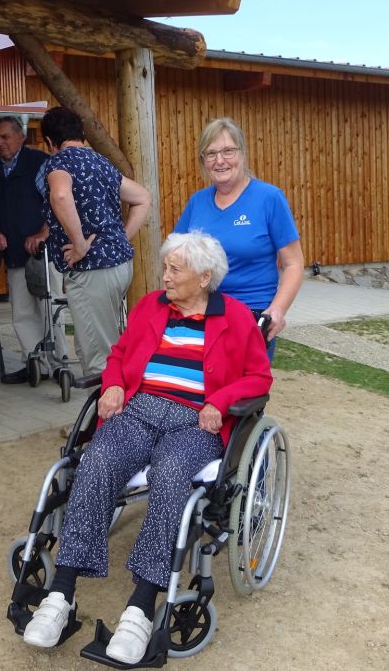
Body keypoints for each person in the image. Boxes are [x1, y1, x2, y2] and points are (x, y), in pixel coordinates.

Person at [22, 231, 272, 664]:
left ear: (204, 277)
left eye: (175, 270)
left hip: (194, 421)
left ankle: (140, 605)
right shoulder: (151, 306)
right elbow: (119, 354)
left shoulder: (234, 316)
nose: (165, 277)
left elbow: (259, 378)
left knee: (172, 474)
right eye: (166, 268)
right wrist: (114, 384)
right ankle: (60, 594)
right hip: (138, 409)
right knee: (97, 460)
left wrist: (220, 401)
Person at [174, 117, 304, 357]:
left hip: (250, 316)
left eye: (228, 151)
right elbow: (176, 257)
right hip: (201, 313)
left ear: (242, 153)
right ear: (203, 161)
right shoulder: (197, 202)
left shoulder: (269, 198)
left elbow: (293, 263)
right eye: (211, 154)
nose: (219, 160)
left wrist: (277, 310)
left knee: (242, 382)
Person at [39, 106, 151, 375]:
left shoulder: (59, 163)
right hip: (119, 265)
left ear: (50, 142)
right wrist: (120, 238)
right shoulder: (101, 162)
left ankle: (110, 401)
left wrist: (79, 244)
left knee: (99, 357)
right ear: (81, 134)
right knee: (106, 342)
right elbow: (142, 198)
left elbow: (60, 196)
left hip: (92, 269)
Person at [0, 116, 66, 383]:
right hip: (14, 252)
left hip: (44, 252)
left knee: (50, 308)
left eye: (5, 136)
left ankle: (59, 363)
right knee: (22, 311)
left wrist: (42, 234)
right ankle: (34, 363)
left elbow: (56, 203)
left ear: (21, 137)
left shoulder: (39, 163)